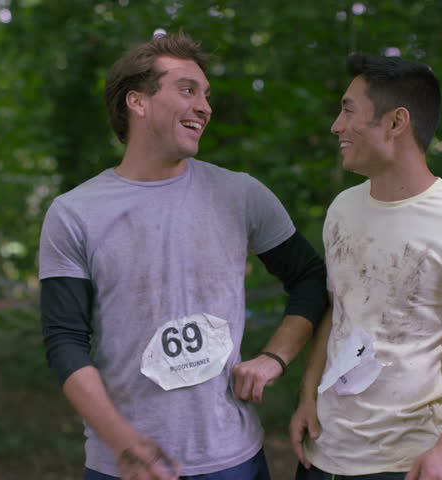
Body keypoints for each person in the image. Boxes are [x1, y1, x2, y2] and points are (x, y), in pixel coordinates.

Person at [38, 32, 328, 480]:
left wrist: (275, 357)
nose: (205, 107)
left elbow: (310, 277)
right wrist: (125, 442)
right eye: (187, 90)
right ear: (138, 102)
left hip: (233, 459)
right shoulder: (74, 213)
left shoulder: (240, 194)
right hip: (123, 465)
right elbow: (64, 343)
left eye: (206, 95)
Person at [289, 54, 442, 480]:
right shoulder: (342, 209)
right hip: (322, 454)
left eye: (348, 110)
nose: (337, 125)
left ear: (396, 123)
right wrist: (308, 396)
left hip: (405, 464)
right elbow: (338, 313)